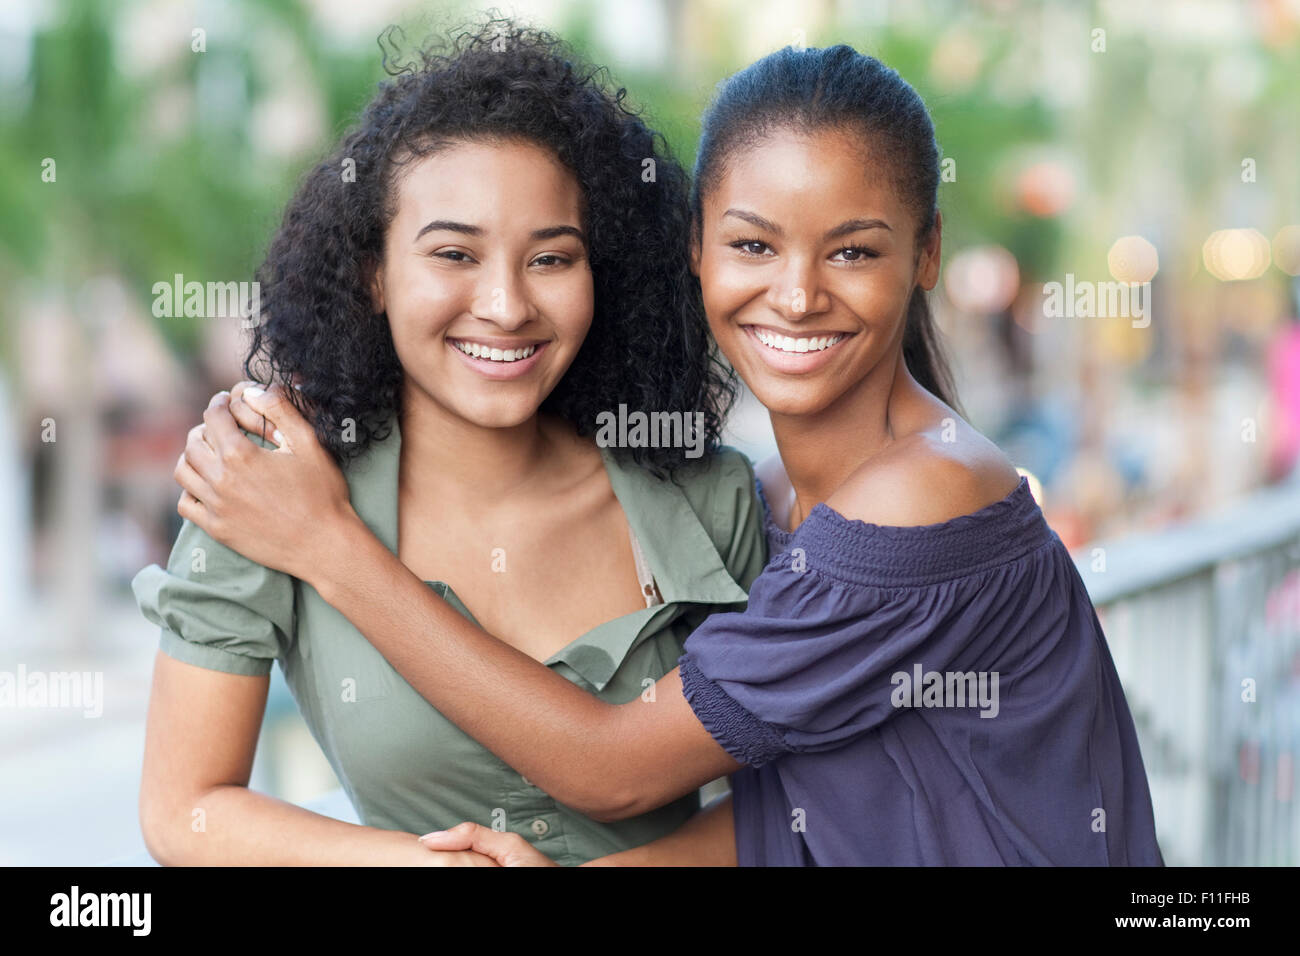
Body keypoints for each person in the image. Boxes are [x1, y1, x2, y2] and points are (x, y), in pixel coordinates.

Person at [181, 44, 1164, 866]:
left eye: (853, 251)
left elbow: (612, 764)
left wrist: (327, 544)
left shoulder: (920, 493)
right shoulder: (774, 496)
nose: (797, 293)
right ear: (694, 251)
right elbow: (792, 811)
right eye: (753, 246)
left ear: (927, 253)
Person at [132, 20, 766, 866]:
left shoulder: (707, 498)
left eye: (551, 259)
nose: (505, 306)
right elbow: (185, 809)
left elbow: (788, 808)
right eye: (454, 254)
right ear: (374, 272)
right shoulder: (266, 493)